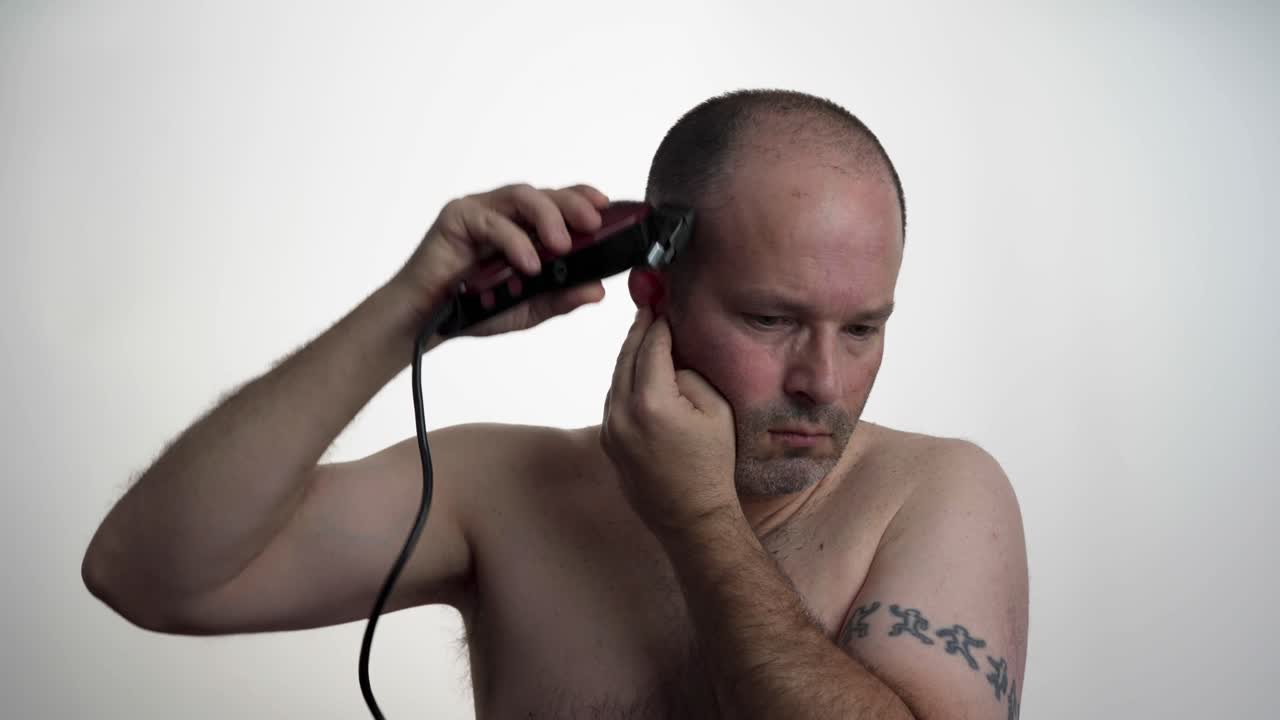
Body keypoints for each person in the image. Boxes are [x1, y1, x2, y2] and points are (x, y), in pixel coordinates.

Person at [82, 88, 1028, 718]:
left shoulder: (937, 495)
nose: (823, 381)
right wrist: (408, 312)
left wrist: (698, 518)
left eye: (862, 329)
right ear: (653, 293)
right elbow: (149, 571)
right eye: (771, 319)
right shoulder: (499, 490)